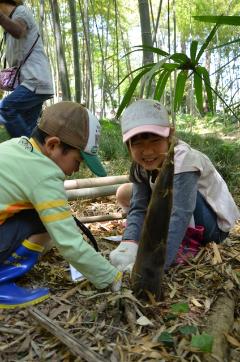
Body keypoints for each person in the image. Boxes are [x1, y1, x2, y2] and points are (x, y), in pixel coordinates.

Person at [0, 101, 122, 308]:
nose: (76, 169)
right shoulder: (44, 175)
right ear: (53, 145)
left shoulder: (16, 146)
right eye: (78, 161)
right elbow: (68, 242)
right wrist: (112, 276)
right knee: (44, 224)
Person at [110, 99, 240, 271]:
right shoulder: (140, 164)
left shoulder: (183, 158)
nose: (147, 151)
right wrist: (128, 245)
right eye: (137, 143)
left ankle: (181, 241)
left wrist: (157, 264)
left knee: (179, 196)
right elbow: (139, 206)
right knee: (126, 192)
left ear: (169, 135)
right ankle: (161, 237)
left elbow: (181, 213)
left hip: (211, 228)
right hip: (176, 211)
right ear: (128, 145)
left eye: (155, 140)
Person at [0, 0, 54, 138]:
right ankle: (36, 153)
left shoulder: (21, 11)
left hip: (35, 81)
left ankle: (30, 151)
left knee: (6, 108)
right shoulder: (8, 28)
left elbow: (19, 31)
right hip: (30, 83)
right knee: (28, 133)